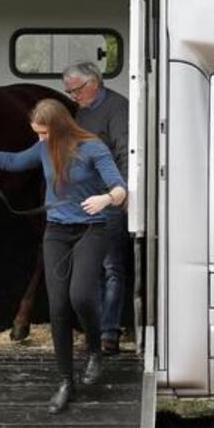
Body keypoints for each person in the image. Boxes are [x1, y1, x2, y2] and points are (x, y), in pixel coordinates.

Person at [0, 98, 127, 414]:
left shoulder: (92, 148)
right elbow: (12, 161)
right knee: (57, 306)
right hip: (57, 231)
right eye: (37, 133)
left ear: (60, 126)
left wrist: (105, 199)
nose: (40, 139)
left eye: (44, 132)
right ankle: (66, 381)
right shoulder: (44, 147)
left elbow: (120, 188)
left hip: (91, 229)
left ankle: (95, 351)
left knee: (81, 297)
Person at [62, 62, 130, 354]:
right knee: (92, 269)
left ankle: (109, 333)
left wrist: (122, 194)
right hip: (85, 198)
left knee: (111, 267)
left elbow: (125, 151)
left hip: (109, 197)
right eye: (69, 92)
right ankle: (95, 331)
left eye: (76, 90)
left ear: (93, 83)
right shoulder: (83, 110)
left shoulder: (117, 108)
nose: (73, 96)